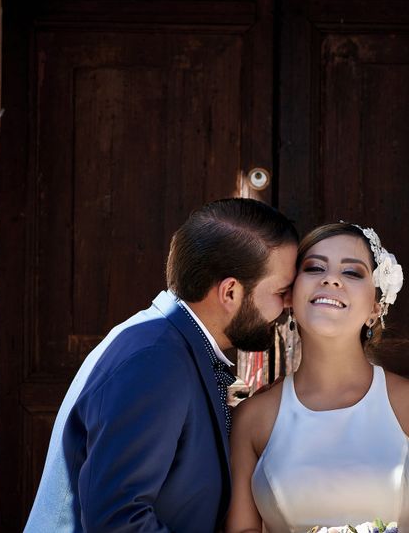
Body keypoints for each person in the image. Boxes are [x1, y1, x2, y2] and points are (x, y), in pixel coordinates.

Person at [25, 198, 298, 532]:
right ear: (230, 292)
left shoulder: (173, 346)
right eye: (282, 290)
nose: (289, 304)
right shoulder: (154, 361)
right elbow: (118, 520)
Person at [226, 223, 409, 533]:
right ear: (290, 297)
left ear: (375, 309)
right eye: (314, 268)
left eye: (352, 273)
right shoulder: (253, 418)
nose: (331, 279)